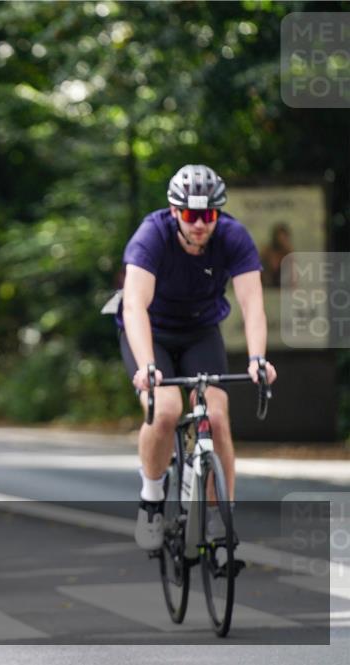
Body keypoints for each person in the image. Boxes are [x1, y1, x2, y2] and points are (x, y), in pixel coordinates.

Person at [117, 165, 277, 552]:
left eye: (208, 215)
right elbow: (134, 305)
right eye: (191, 215)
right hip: (150, 332)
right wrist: (146, 367)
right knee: (166, 410)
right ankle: (152, 498)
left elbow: (253, 305)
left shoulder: (233, 237)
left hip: (201, 332)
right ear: (175, 211)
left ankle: (220, 520)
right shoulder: (151, 236)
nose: (201, 224)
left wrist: (258, 358)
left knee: (218, 418)